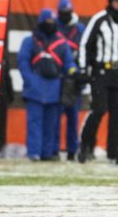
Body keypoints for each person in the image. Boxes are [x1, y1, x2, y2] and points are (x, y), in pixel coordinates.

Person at [77, 0, 118, 166]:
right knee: (99, 109)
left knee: (117, 114)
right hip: (101, 71)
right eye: (116, 1)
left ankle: (114, 153)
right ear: (110, 2)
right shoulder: (100, 20)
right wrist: (83, 68)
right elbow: (85, 44)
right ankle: (86, 145)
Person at [17, 8, 76, 161]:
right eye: (47, 22)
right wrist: (30, 80)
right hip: (35, 88)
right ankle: (34, 153)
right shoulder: (30, 41)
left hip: (54, 89)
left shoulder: (62, 43)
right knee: (35, 124)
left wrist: (73, 72)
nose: (50, 25)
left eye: (52, 22)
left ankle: (48, 153)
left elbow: (69, 63)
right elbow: (22, 62)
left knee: (52, 125)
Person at [54, 0, 85, 159]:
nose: (65, 15)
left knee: (73, 117)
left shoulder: (79, 29)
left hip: (74, 80)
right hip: (57, 77)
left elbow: (85, 51)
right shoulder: (53, 27)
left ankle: (73, 149)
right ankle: (54, 149)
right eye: (63, 13)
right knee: (55, 117)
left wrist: (81, 73)